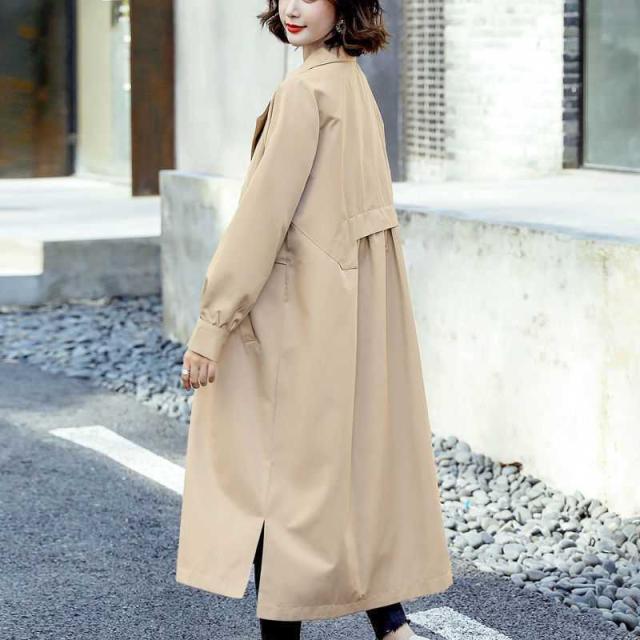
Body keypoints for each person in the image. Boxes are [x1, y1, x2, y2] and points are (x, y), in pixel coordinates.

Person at [176, 1, 454, 639]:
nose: (294, 7)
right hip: (350, 316)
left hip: (293, 318)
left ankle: (381, 625)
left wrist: (213, 326)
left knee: (269, 485)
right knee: (332, 477)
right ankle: (392, 625)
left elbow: (261, 220)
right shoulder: (352, 86)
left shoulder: (304, 94)